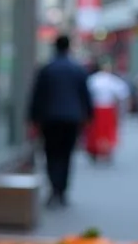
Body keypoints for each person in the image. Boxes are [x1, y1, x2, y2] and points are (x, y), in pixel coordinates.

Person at [27, 33, 93, 208]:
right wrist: (88, 117)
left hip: (50, 118)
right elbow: (85, 96)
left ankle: (54, 188)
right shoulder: (77, 69)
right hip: (72, 118)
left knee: (50, 154)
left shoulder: (47, 69)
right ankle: (62, 189)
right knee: (67, 154)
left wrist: (32, 118)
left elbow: (37, 96)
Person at [84, 58, 130, 162]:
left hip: (104, 109)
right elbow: (123, 94)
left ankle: (102, 150)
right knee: (102, 131)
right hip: (101, 109)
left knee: (102, 131)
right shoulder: (101, 79)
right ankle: (102, 150)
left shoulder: (95, 79)